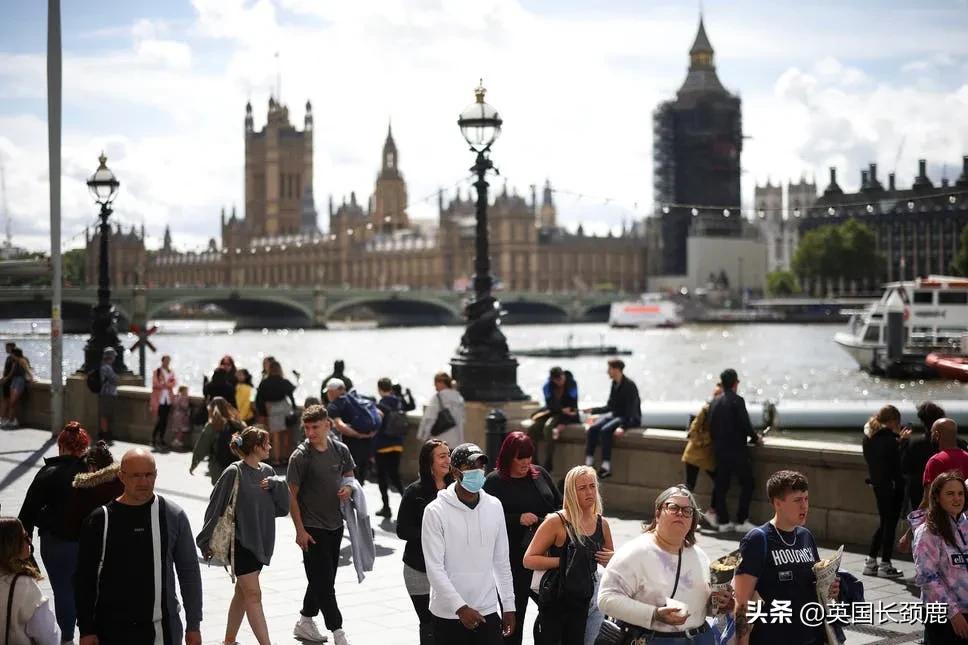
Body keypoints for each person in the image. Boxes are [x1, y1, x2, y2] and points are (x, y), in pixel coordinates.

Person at [75, 448, 203, 645]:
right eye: (136, 476)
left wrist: (194, 624)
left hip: (162, 630)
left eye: (149, 475)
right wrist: (86, 629)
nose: (144, 482)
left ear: (156, 475)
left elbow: (189, 572)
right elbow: (84, 579)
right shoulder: (100, 520)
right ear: (121, 477)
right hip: (111, 631)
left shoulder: (173, 515)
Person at [597, 485, 732, 645]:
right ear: (658, 513)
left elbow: (700, 606)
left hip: (700, 638)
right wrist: (654, 614)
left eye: (687, 511)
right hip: (653, 639)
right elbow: (606, 599)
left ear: (692, 520)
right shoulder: (635, 552)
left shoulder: (700, 556)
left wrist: (718, 604)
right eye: (673, 507)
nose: (680, 513)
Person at [197, 427, 290, 645]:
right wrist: (204, 540)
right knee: (254, 595)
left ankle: (229, 641)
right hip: (240, 543)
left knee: (242, 593)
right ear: (255, 447)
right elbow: (215, 506)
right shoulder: (234, 472)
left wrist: (278, 485)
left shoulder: (268, 472)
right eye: (266, 443)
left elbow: (282, 509)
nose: (270, 447)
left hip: (260, 542)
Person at [421, 442, 516, 644]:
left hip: (488, 610)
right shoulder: (435, 511)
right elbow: (434, 568)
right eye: (470, 467)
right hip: (449, 614)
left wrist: (508, 606)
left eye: (481, 467)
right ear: (455, 472)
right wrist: (460, 608)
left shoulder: (494, 505)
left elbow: (501, 561)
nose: (478, 472)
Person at [733, 470, 837, 645]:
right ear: (778, 503)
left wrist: (831, 588)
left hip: (811, 637)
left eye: (806, 499)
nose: (804, 506)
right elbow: (742, 603)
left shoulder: (806, 536)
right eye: (797, 500)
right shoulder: (757, 539)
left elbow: (813, 586)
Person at [483, 432, 562, 645]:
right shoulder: (493, 482)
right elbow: (483, 520)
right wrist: (517, 519)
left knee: (554, 614)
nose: (526, 462)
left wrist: (548, 521)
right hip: (512, 562)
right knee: (513, 621)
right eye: (520, 457)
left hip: (544, 559)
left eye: (529, 456)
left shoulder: (540, 475)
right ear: (509, 457)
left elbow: (559, 506)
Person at [288, 405, 356, 645]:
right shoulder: (300, 456)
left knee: (323, 579)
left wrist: (348, 487)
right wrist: (300, 531)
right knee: (325, 583)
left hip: (336, 526)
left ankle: (305, 620)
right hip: (311, 528)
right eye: (306, 427)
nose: (310, 432)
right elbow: (291, 497)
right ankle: (339, 632)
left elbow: (349, 475)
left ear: (327, 425)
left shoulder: (341, 450)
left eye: (315, 427)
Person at [524, 465, 615, 645]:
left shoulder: (601, 523)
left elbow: (611, 563)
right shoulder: (557, 521)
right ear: (571, 492)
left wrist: (613, 560)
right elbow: (529, 560)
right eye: (582, 488)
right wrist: (564, 561)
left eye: (592, 486)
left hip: (587, 601)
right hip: (557, 600)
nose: (589, 492)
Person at [17, 421, 89, 642]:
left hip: (57, 543)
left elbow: (26, 515)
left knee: (64, 591)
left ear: (61, 447)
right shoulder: (93, 472)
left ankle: (66, 638)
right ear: (84, 448)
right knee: (89, 590)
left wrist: (24, 553)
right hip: (91, 541)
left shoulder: (48, 473)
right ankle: (89, 633)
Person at [397, 439, 452, 645]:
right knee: (427, 621)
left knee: (447, 620)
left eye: (448, 455)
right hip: (417, 566)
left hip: (450, 568)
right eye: (442, 456)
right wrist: (431, 533)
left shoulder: (457, 490)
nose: (448, 460)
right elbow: (402, 530)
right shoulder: (414, 492)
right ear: (429, 462)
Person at [913, 471, 968, 644]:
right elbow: (927, 578)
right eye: (950, 494)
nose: (957, 499)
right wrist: (953, 613)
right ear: (936, 497)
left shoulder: (965, 523)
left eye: (960, 493)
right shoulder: (928, 532)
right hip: (944, 616)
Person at [708, 368, 759, 533]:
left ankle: (723, 522)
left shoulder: (715, 401)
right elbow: (746, 425)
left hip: (719, 451)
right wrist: (756, 438)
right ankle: (742, 520)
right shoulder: (737, 400)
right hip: (737, 452)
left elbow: (711, 427)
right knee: (748, 483)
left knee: (721, 487)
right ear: (735, 383)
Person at [0, 516, 60, 645]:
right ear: (13, 545)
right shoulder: (24, 585)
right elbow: (48, 636)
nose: (29, 540)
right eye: (25, 537)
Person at [861, 404, 906, 578]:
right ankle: (885, 564)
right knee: (889, 524)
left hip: (878, 484)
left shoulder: (869, 436)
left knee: (884, 522)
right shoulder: (889, 441)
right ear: (893, 421)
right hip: (892, 486)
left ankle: (871, 561)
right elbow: (897, 464)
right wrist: (902, 444)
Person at [582, 358, 641, 479]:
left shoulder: (630, 386)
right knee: (593, 428)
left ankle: (606, 466)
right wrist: (593, 411)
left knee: (605, 430)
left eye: (609, 369)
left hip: (628, 418)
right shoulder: (614, 384)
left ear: (617, 370)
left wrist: (623, 427)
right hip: (616, 415)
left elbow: (631, 410)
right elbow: (610, 406)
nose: (607, 372)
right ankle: (588, 463)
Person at [324, 378, 381, 485]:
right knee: (360, 482)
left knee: (349, 483)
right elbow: (380, 414)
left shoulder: (334, 405)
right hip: (367, 448)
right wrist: (372, 432)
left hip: (350, 450)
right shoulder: (358, 398)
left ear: (332, 391)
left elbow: (340, 426)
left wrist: (359, 435)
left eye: (328, 391)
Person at [66, 441, 125, 541]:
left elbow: (73, 520)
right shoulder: (123, 482)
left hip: (89, 541)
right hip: (117, 540)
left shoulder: (85, 488)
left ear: (93, 467)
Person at [682, 383, 721, 528]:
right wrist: (708, 439)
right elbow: (693, 430)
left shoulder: (715, 410)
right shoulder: (706, 409)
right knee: (689, 487)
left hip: (703, 456)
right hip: (695, 454)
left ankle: (706, 513)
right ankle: (687, 517)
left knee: (717, 482)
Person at [900, 401, 951, 510]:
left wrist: (903, 443)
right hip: (948, 490)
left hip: (919, 491)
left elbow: (904, 467)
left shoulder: (914, 444)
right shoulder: (955, 443)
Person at [528, 367, 579, 472]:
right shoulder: (547, 386)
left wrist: (563, 419)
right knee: (533, 428)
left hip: (567, 415)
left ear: (563, 375)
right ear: (552, 379)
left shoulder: (571, 384)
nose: (559, 382)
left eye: (560, 378)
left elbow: (573, 406)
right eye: (556, 380)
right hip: (553, 411)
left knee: (548, 428)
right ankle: (534, 460)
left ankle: (548, 462)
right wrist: (561, 409)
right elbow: (551, 405)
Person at [191, 396, 244, 485]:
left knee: (220, 491)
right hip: (236, 464)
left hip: (217, 464)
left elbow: (202, 446)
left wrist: (194, 464)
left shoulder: (212, 426)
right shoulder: (238, 424)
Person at [374, 377, 406, 519]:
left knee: (382, 477)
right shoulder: (398, 401)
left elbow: (377, 423)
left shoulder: (381, 404)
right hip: (397, 444)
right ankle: (408, 501)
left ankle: (386, 507)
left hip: (383, 445)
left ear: (379, 389)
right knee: (395, 476)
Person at [255, 360, 297, 466]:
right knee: (287, 435)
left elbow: (259, 398)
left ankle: (276, 459)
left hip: (272, 410)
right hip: (284, 408)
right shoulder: (283, 381)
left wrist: (263, 412)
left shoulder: (264, 382)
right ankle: (286, 457)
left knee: (276, 436)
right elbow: (291, 392)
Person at [416, 372, 466, 448]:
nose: (435, 386)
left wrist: (423, 436)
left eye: (436, 383)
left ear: (442, 383)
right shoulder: (459, 398)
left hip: (439, 442)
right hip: (456, 442)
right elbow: (461, 421)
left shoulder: (438, 398)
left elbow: (430, 419)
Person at [923, 419, 968, 494]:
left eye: (932, 433)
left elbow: (928, 498)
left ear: (937, 435)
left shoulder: (936, 460)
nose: (931, 436)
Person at [150, 355, 177, 450]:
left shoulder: (171, 372)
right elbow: (155, 383)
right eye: (166, 360)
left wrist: (164, 384)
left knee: (165, 420)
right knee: (160, 420)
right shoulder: (157, 371)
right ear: (162, 361)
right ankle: (154, 438)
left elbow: (174, 383)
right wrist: (166, 385)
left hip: (168, 399)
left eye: (168, 360)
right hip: (159, 399)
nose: (167, 362)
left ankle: (161, 438)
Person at [2, 348, 32, 430]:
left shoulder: (22, 360)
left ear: (15, 354)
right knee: (13, 402)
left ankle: (12, 420)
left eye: (12, 354)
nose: (11, 355)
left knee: (13, 402)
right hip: (14, 381)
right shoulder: (14, 362)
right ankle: (12, 420)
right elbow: (11, 373)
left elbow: (27, 370)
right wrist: (6, 378)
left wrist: (31, 378)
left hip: (19, 381)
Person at [98, 347, 119, 445]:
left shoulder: (105, 367)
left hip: (107, 394)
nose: (114, 358)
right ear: (110, 357)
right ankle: (105, 435)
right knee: (105, 415)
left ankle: (105, 433)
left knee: (106, 415)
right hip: (107, 394)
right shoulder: (106, 368)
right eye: (113, 356)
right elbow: (114, 380)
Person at [168, 385, 191, 451]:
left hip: (175, 414)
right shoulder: (183, 397)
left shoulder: (177, 396)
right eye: (186, 390)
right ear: (183, 391)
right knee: (181, 429)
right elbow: (184, 406)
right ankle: (177, 441)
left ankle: (176, 440)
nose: (187, 392)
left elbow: (174, 404)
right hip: (182, 415)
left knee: (177, 428)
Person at [0, 341, 15, 426]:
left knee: (8, 401)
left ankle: (6, 419)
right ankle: (4, 418)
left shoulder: (13, 358)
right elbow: (6, 370)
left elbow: (12, 371)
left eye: (7, 347)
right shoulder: (8, 358)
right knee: (5, 400)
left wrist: (6, 378)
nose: (6, 349)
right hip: (6, 381)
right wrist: (3, 377)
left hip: (9, 382)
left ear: (12, 348)